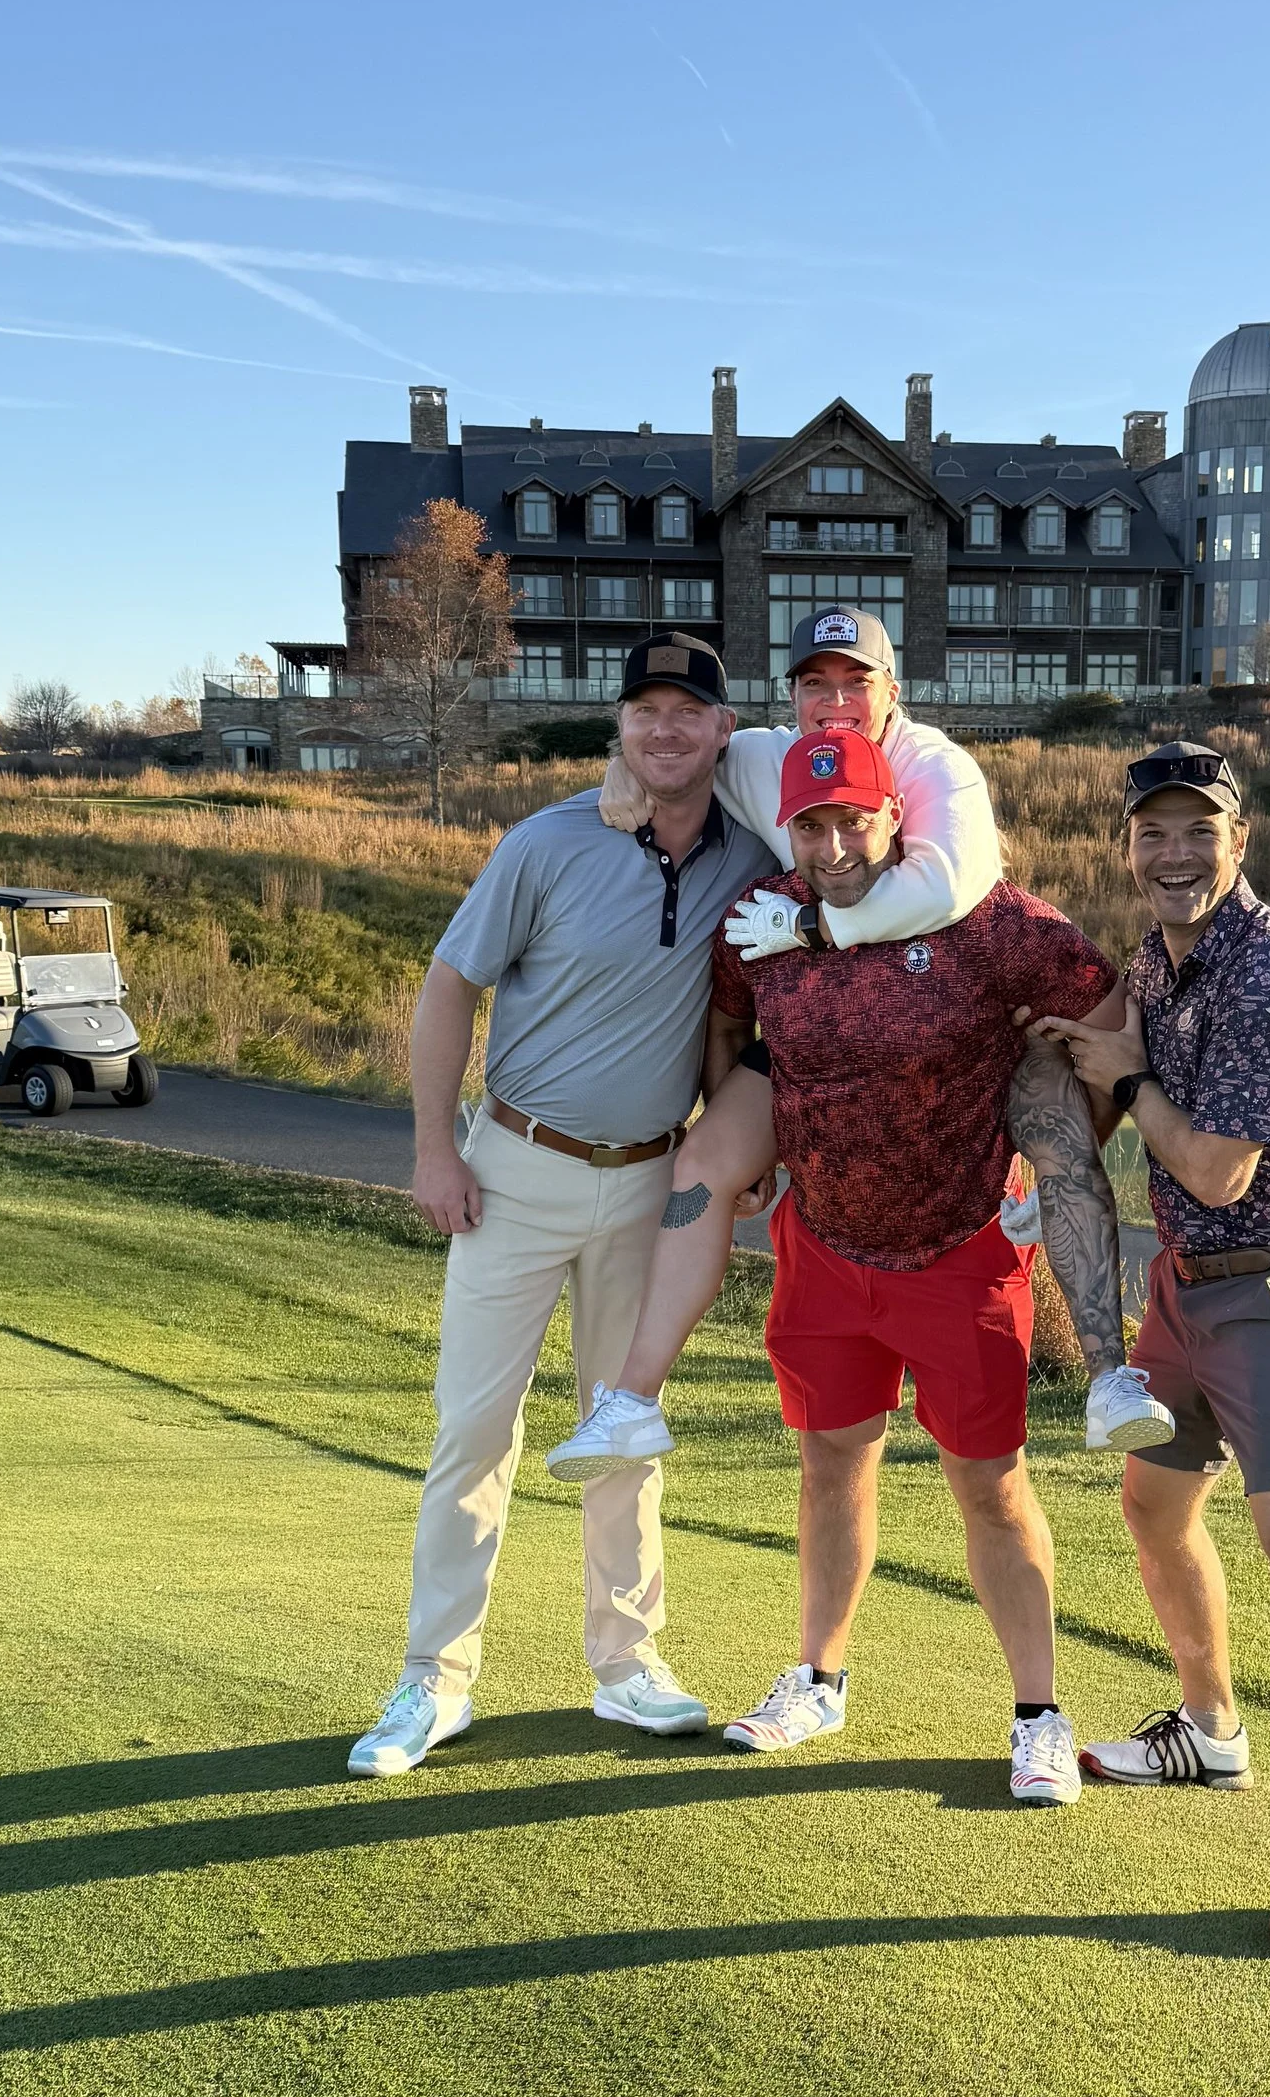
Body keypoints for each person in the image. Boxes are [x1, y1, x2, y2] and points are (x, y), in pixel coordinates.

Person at [547, 602, 1169, 1475]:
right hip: (812, 1056)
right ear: (789, 697)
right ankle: (633, 1401)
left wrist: (817, 932)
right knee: (698, 1169)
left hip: (961, 1052)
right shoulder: (763, 762)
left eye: (856, 683)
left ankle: (1110, 1378)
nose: (834, 701)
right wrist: (623, 766)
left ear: (893, 697)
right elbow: (680, 743)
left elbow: (953, 883)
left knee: (1059, 1133)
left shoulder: (934, 772)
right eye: (816, 684)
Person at [346, 636, 774, 1778]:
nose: (665, 730)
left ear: (724, 732)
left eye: (689, 712)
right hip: (514, 1171)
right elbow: (449, 987)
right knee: (472, 1433)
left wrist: (740, 1144)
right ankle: (433, 1682)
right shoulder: (546, 841)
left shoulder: (753, 857)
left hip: (652, 1182)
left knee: (621, 1432)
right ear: (619, 727)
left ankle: (627, 1670)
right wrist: (436, 1148)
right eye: (645, 711)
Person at [1032, 739, 1270, 1954]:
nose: (1172, 851)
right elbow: (1086, 1076)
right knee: (1152, 1506)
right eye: (1151, 832)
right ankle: (1211, 1731)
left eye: (1197, 829)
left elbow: (1212, 1164)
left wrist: (1130, 1074)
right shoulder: (1152, 960)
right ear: (1128, 848)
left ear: (1237, 843)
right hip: (1189, 1284)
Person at [701, 725, 1123, 1806]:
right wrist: (743, 1140)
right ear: (787, 827)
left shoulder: (983, 919)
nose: (834, 842)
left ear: (896, 818)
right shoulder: (760, 920)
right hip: (823, 1248)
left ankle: (1038, 1713)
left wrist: (1064, 1145)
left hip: (960, 1252)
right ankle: (818, 1677)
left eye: (855, 818)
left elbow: (1105, 1004)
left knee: (987, 1484)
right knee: (831, 1463)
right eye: (813, 822)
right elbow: (728, 1021)